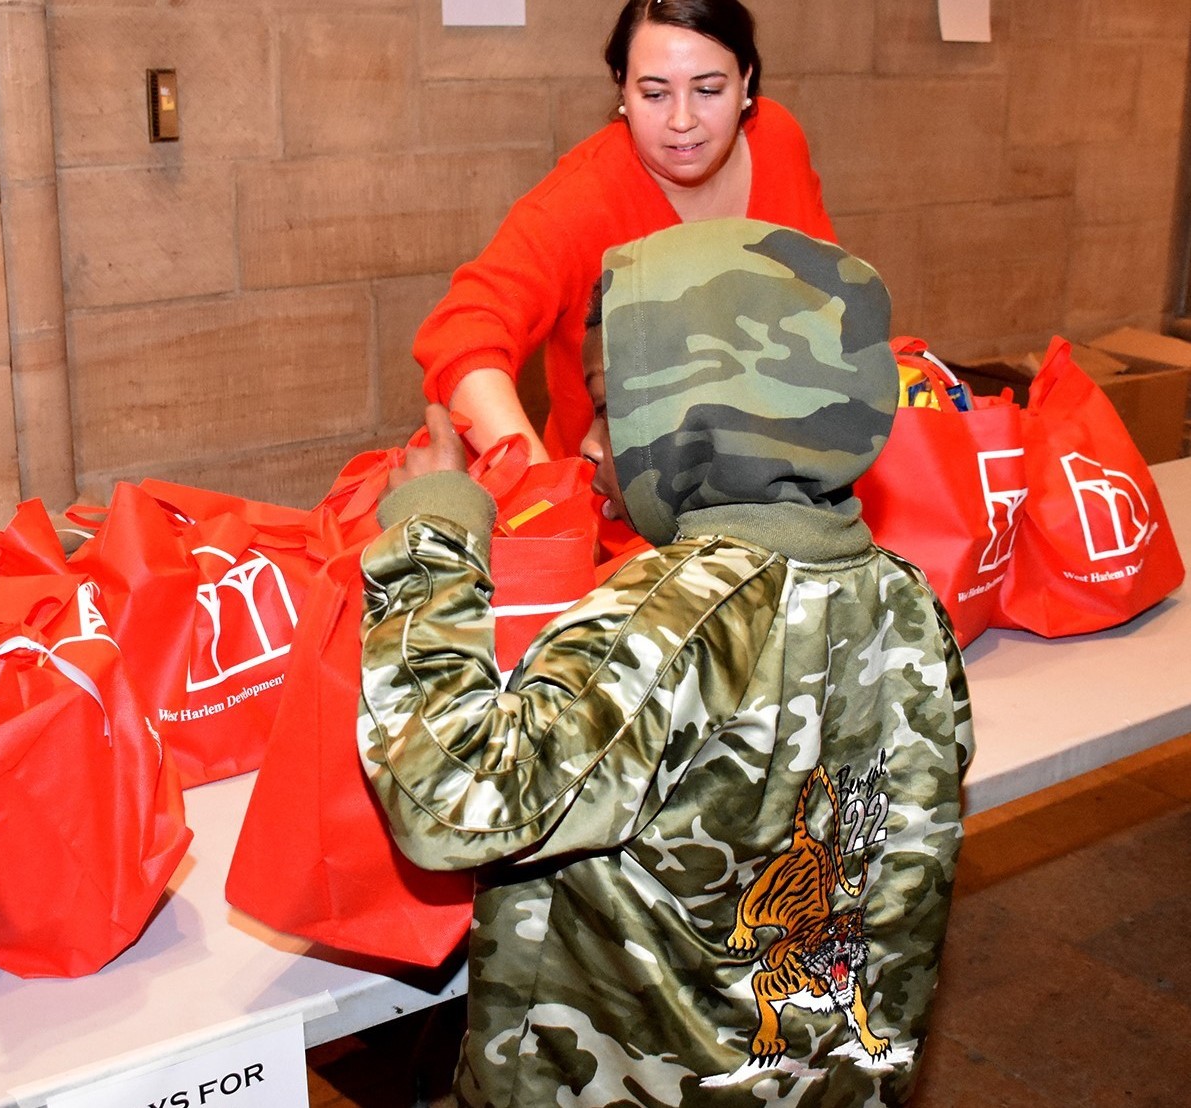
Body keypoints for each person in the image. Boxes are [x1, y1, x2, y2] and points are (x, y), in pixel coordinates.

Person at [359, 219, 971, 1107]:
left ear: (704, 409)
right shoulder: (907, 597)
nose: (589, 445)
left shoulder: (676, 610)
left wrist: (430, 530)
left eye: (612, 406)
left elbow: (459, 804)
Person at [416, 0, 835, 465]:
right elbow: (462, 333)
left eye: (709, 90)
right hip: (617, 516)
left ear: (746, 81)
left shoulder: (778, 139)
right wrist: (536, 478)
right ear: (622, 89)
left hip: (784, 482)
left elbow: (829, 296)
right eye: (655, 94)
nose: (682, 120)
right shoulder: (579, 201)